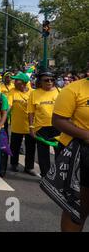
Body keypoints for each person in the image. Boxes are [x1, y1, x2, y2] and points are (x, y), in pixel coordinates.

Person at [51, 75, 89, 231]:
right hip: (81, 154)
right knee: (77, 208)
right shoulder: (73, 89)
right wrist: (86, 135)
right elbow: (58, 120)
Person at [27, 70, 60, 177]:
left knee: (60, 152)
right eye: (46, 80)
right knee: (43, 153)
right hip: (41, 127)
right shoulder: (34, 93)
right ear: (40, 82)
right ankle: (45, 175)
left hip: (58, 126)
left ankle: (59, 176)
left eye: (52, 80)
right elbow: (31, 112)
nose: (49, 82)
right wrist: (31, 127)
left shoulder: (61, 92)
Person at [8, 72, 36, 175]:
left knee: (30, 147)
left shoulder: (33, 93)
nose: (14, 82)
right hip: (17, 125)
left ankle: (29, 167)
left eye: (16, 80)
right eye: (14, 80)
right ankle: (14, 164)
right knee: (15, 146)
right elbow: (8, 106)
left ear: (24, 83)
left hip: (31, 126)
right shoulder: (12, 92)